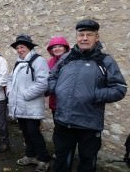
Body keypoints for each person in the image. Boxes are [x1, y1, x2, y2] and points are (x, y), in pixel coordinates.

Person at [49, 19, 127, 172]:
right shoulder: (66, 58)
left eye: (89, 35)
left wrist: (94, 94)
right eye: (81, 34)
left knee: (87, 163)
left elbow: (119, 88)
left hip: (89, 124)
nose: (84, 38)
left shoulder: (105, 61)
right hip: (63, 121)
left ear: (96, 37)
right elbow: (51, 77)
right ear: (77, 37)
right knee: (61, 161)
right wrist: (57, 89)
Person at [7, 34, 51, 172]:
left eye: (22, 47)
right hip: (19, 105)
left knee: (34, 132)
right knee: (26, 132)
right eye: (18, 47)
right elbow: (10, 79)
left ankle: (44, 159)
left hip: (31, 105)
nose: (20, 50)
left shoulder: (38, 61)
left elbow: (43, 83)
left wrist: (25, 95)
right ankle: (30, 155)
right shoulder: (18, 62)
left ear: (29, 47)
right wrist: (9, 92)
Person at [46, 36, 69, 116]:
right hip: (54, 100)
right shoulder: (50, 62)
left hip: (68, 101)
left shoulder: (71, 61)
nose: (57, 49)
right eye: (54, 47)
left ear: (65, 48)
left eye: (60, 46)